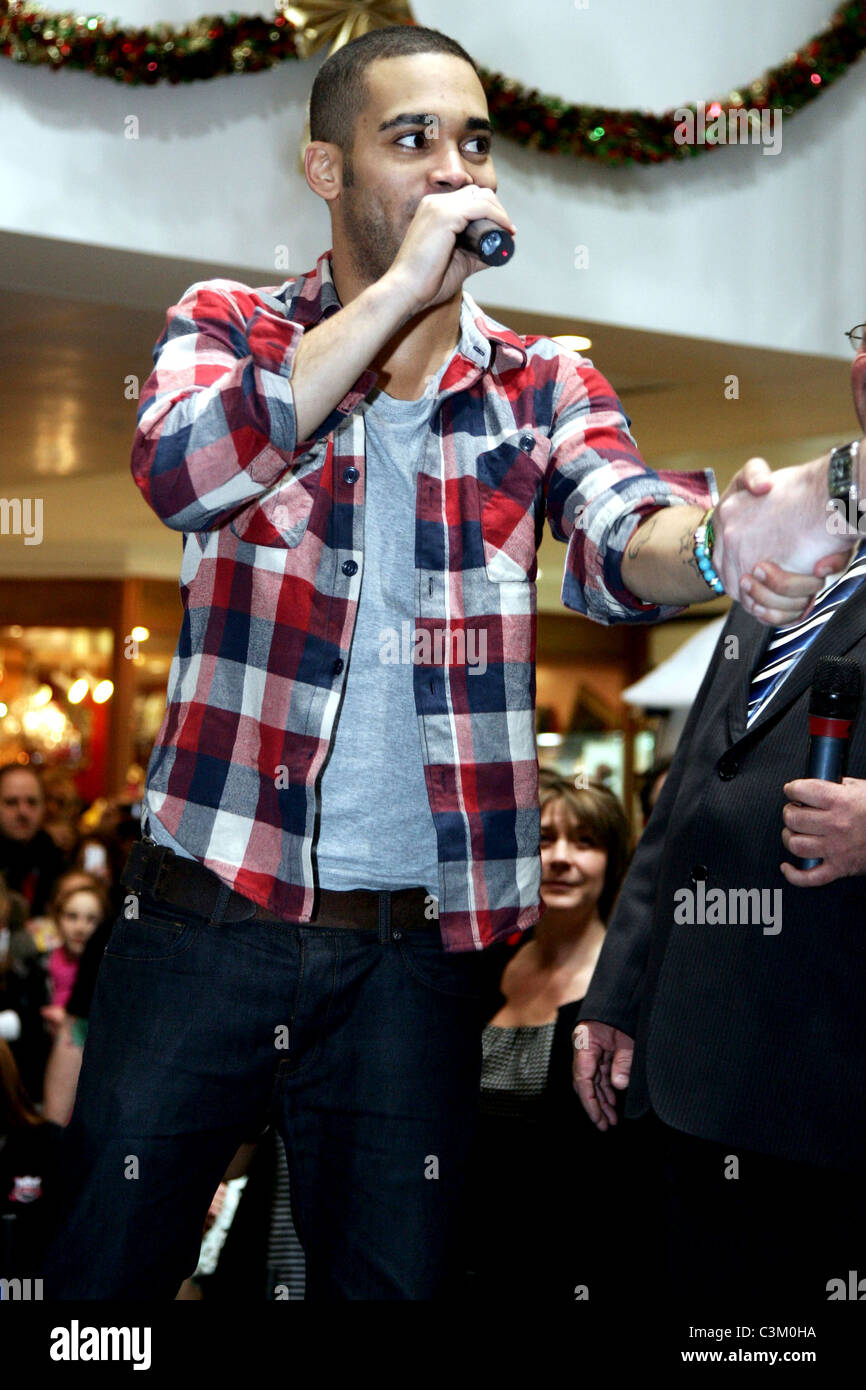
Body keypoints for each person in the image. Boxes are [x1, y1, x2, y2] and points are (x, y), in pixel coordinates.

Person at [40, 25, 861, 1302]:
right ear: (325, 168)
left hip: (412, 957)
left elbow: (620, 541)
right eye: (409, 139)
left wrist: (724, 539)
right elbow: (183, 471)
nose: (452, 169)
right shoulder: (229, 326)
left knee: (393, 1291)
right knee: (105, 1284)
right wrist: (394, 296)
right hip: (206, 915)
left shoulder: (543, 385)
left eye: (472, 141)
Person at [574, 330, 866, 1307]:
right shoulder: (779, 539)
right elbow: (691, 788)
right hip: (692, 1078)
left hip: (834, 1087)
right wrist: (617, 992)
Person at [463, 770, 641, 1300]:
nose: (561, 857)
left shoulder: (628, 990)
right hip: (467, 1252)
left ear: (613, 864)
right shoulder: (480, 967)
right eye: (544, 840)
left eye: (585, 843)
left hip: (573, 1260)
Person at [0, 765, 67, 919]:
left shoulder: (57, 860)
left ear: (44, 806)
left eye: (32, 802)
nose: (23, 812)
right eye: (11, 802)